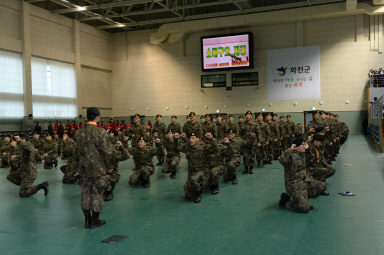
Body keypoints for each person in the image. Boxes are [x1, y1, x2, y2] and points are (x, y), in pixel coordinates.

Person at [74, 107, 114, 228]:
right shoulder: (101, 132)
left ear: (87, 116)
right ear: (97, 117)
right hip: (99, 169)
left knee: (85, 193)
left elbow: (75, 152)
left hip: (84, 170)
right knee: (97, 194)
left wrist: (78, 166)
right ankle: (94, 220)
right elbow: (107, 152)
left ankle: (87, 221)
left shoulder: (79, 132)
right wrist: (109, 167)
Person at [177, 132, 216, 203]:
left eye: (193, 138)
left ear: (198, 139)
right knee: (188, 194)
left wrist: (210, 139)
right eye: (190, 138)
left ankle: (198, 194)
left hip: (202, 171)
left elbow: (215, 148)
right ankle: (201, 185)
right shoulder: (188, 146)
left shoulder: (203, 146)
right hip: (192, 172)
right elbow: (179, 148)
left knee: (193, 180)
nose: (191, 140)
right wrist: (179, 138)